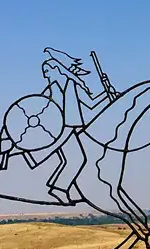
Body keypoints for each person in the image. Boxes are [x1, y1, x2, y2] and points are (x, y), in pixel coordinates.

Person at [28, 48, 111, 204]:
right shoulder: (51, 90)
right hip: (60, 130)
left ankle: (59, 188)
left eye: (46, 70)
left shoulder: (71, 85)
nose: (44, 75)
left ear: (55, 69)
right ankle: (58, 188)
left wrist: (107, 94)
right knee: (76, 159)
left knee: (78, 159)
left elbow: (91, 105)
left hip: (68, 128)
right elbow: (39, 109)